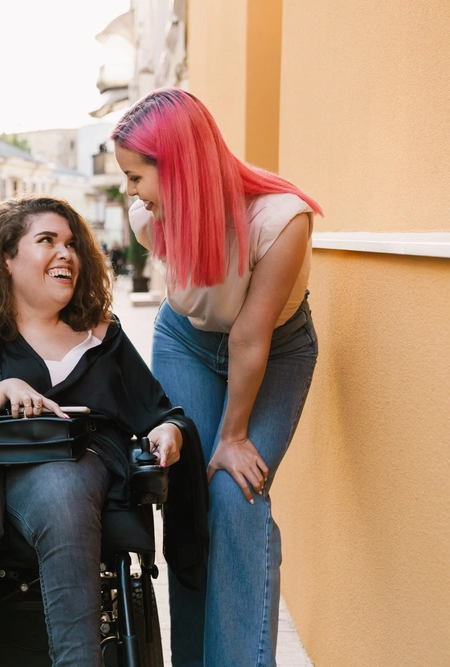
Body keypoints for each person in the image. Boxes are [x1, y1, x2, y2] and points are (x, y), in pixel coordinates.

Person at [0, 196, 206, 667]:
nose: (66, 254)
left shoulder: (101, 339)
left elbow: (160, 412)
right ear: (7, 260)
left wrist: (169, 433)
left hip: (71, 470)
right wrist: (1, 391)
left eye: (72, 244)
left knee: (60, 484)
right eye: (47, 241)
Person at [112, 88, 323, 667]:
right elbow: (193, 309)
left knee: (235, 492)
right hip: (186, 343)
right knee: (189, 501)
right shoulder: (149, 218)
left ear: (176, 167)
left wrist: (231, 439)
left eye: (136, 176)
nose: (130, 192)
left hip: (273, 352)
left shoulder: (280, 220)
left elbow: (250, 338)